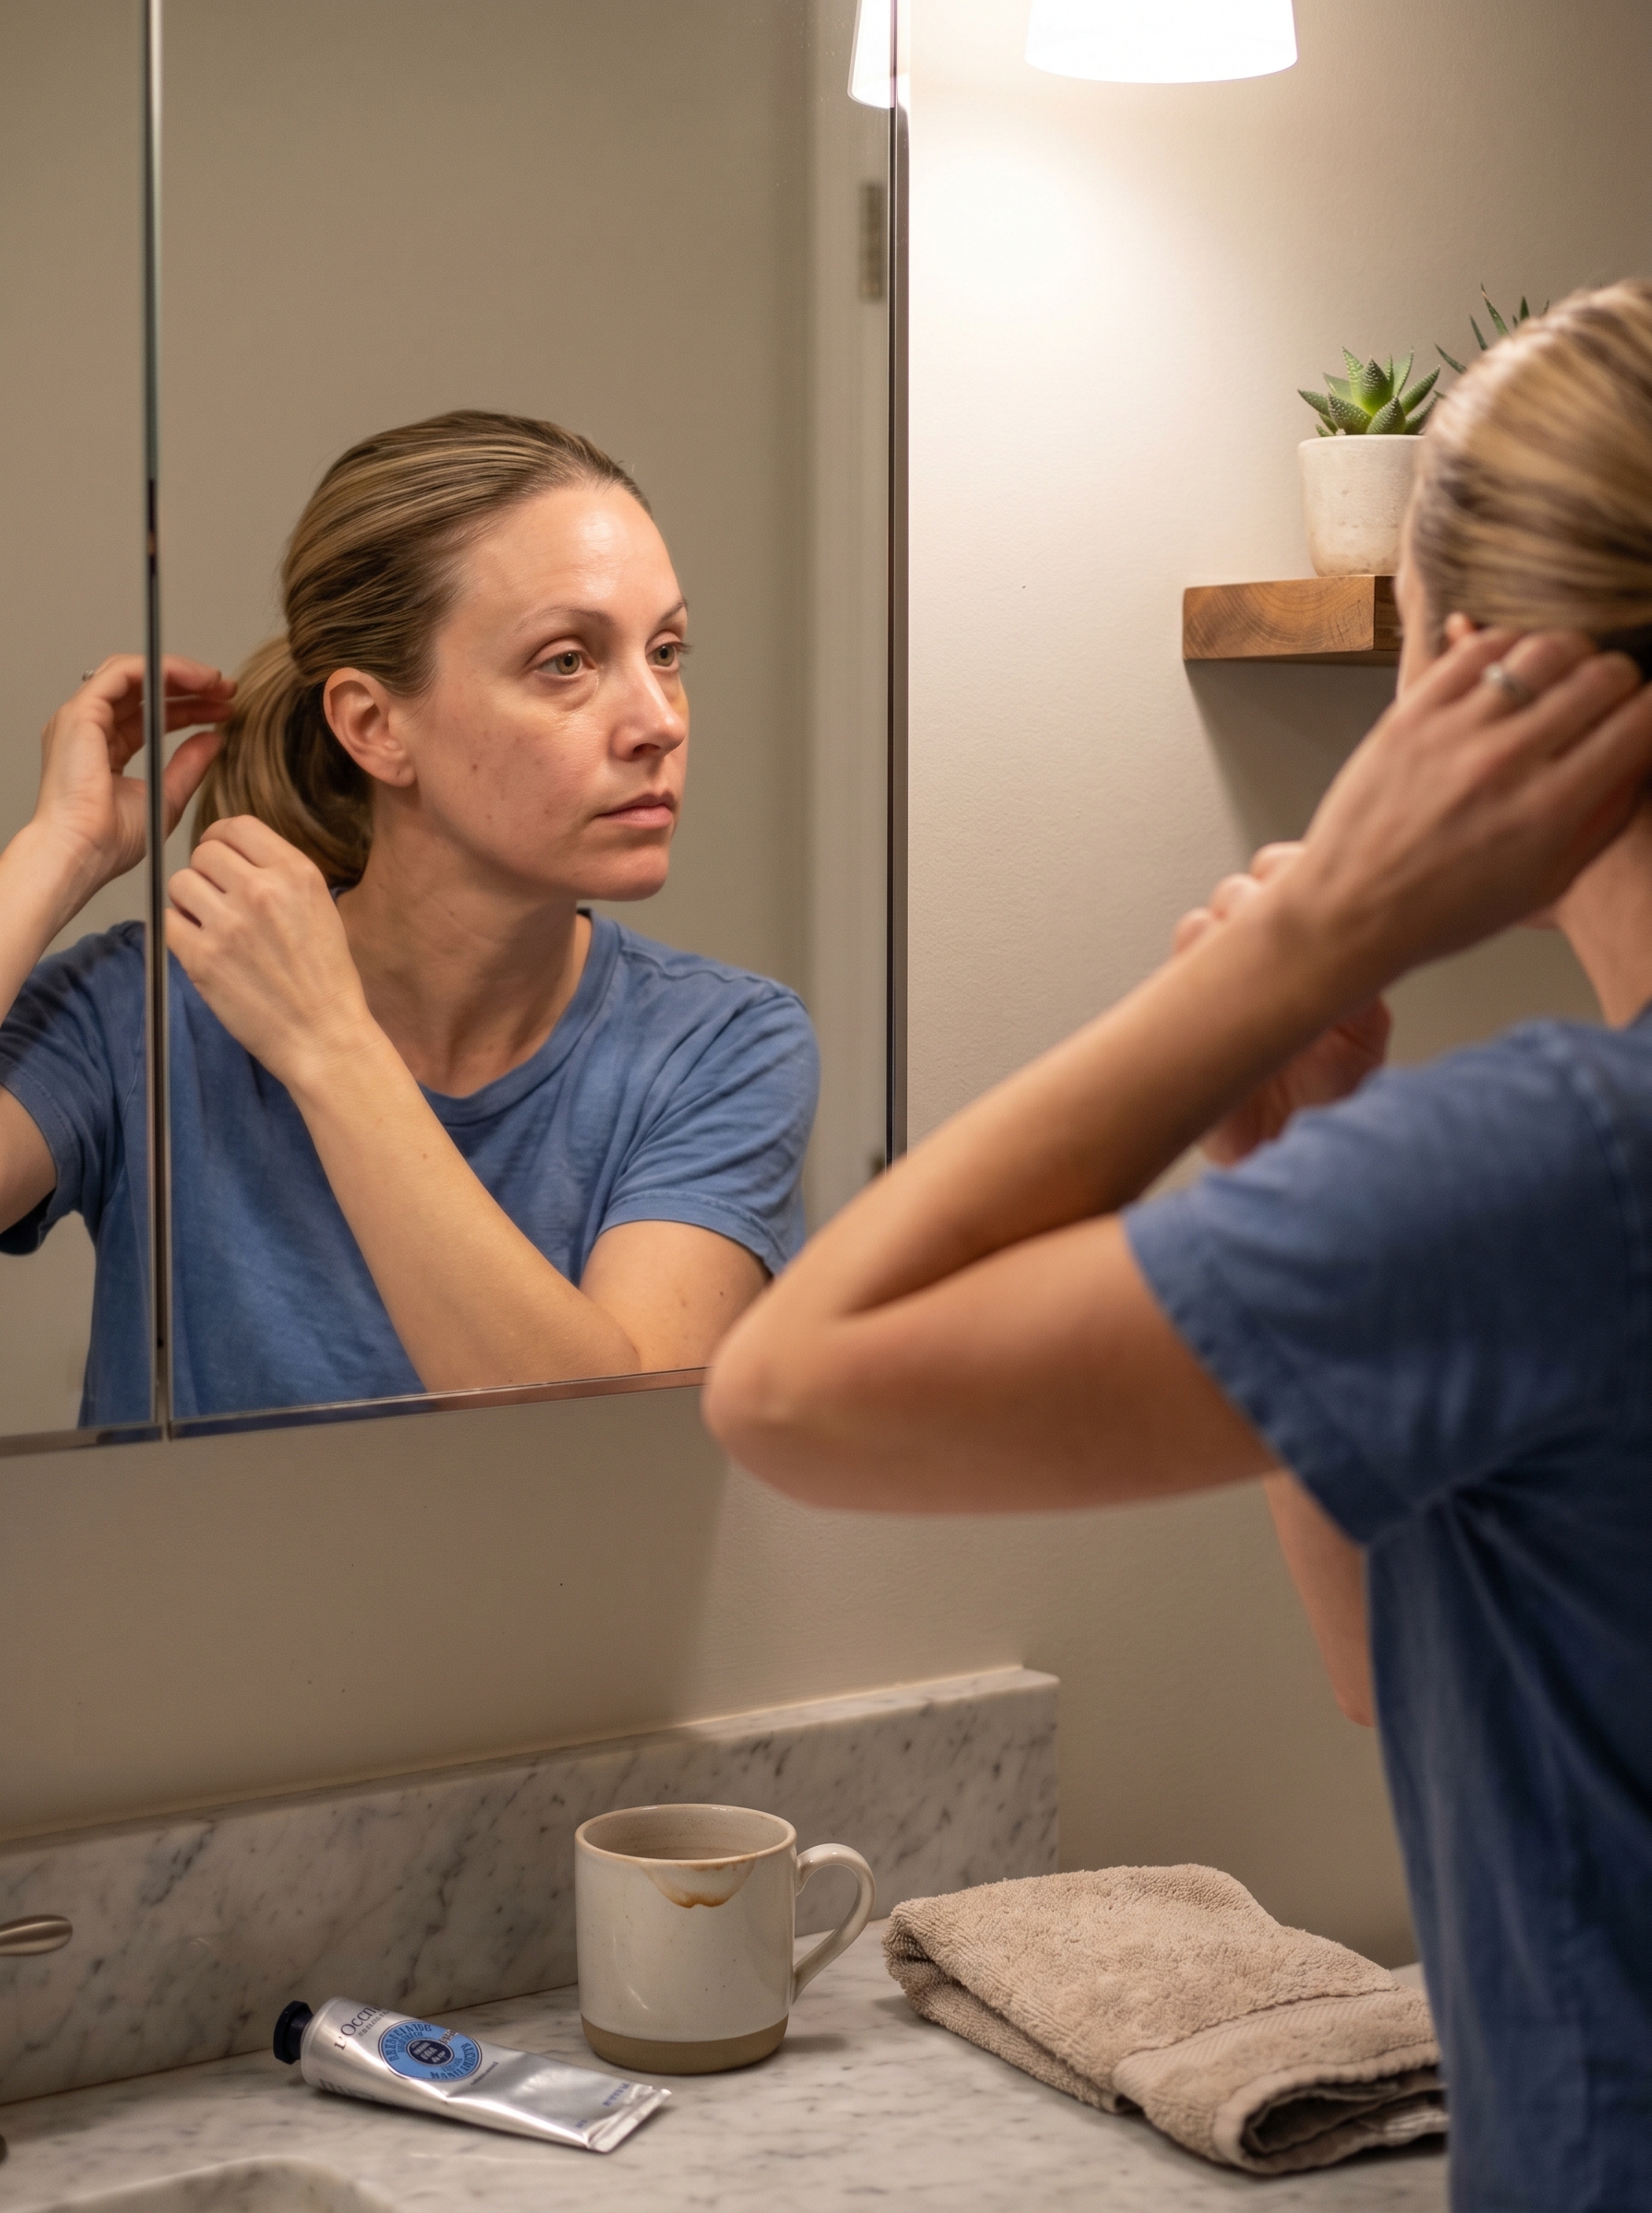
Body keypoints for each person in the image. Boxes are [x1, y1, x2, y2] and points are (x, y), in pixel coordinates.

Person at [704, 280, 1652, 2210]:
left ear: (1487, 689)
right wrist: (1298, 1152)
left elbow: (788, 1389)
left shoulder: (1566, 1163)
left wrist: (1300, 947)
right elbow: (1406, 1680)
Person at [0, 410, 817, 1421]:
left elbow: (611, 1451)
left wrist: (330, 1048)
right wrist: (55, 853)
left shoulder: (724, 1045)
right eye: (567, 661)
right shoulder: (143, 1011)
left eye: (666, 650)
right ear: (375, 726)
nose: (659, 721)